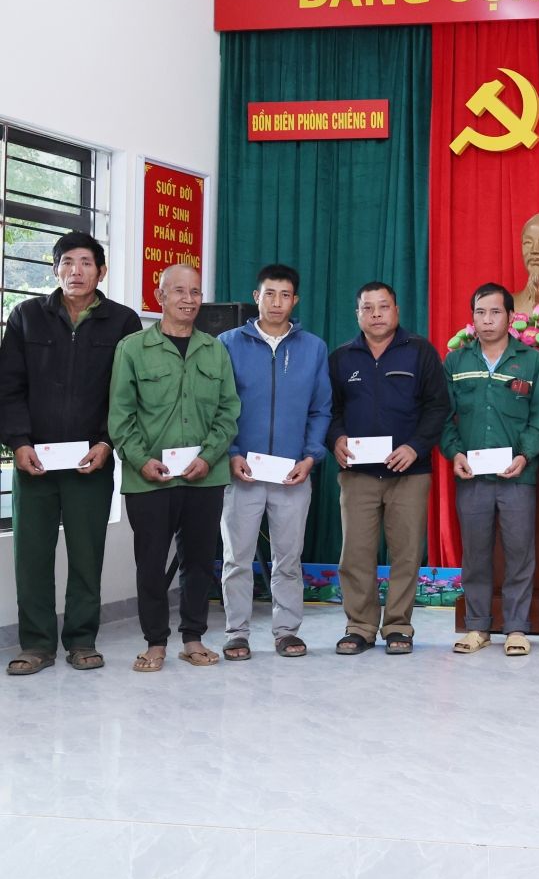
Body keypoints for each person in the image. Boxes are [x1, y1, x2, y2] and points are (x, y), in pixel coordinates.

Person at [0, 231, 141, 674]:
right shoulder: (26, 316)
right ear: (54, 268)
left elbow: (126, 394)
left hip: (90, 461)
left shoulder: (123, 322)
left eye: (85, 263)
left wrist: (106, 442)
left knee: (86, 555)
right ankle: (36, 644)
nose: (75, 271)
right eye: (66, 262)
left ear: (101, 271)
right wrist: (18, 443)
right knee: (31, 557)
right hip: (34, 462)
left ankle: (82, 640)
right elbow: (8, 386)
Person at [108, 264, 240, 672]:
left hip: (205, 476)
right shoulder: (132, 349)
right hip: (149, 478)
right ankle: (155, 643)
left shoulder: (215, 350)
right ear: (159, 295)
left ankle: (193, 638)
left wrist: (209, 456)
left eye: (195, 291)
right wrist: (140, 460)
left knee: (198, 562)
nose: (189, 299)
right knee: (150, 563)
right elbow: (120, 415)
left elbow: (228, 412)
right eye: (179, 290)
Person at [327, 282, 450, 656]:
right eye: (368, 308)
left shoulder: (420, 352)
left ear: (396, 310)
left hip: (410, 473)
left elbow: (438, 407)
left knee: (406, 554)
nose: (376, 314)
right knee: (356, 555)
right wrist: (336, 439)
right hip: (358, 474)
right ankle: (359, 627)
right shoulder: (341, 358)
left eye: (383, 306)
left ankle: (398, 626)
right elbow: (329, 410)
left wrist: (415, 447)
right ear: (357, 314)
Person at [217, 263, 333, 660]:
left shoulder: (313, 348)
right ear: (257, 297)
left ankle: (286, 632)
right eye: (270, 294)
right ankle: (236, 633)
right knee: (237, 559)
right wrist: (232, 454)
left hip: (291, 474)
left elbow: (321, 409)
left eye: (285, 295)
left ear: (295, 300)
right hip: (242, 473)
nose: (277, 302)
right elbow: (219, 407)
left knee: (288, 560)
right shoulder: (228, 343)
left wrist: (311, 456)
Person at [441, 283, 539, 658]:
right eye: (480, 312)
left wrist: (525, 455)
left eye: (495, 312)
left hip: (517, 477)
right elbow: (444, 417)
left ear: (510, 317)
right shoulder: (456, 362)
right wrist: (454, 453)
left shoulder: (531, 362)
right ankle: (477, 627)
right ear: (472, 317)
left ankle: (517, 628)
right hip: (472, 477)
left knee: (520, 554)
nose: (487, 320)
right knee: (475, 555)